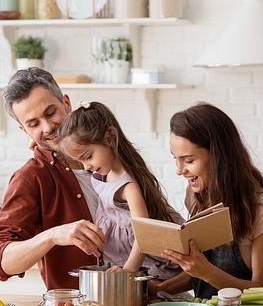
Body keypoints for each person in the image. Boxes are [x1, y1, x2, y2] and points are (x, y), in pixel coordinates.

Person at [0, 68, 105, 290]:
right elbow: (0, 262)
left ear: (66, 103)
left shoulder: (110, 152)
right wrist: (53, 235)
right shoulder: (31, 178)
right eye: (33, 124)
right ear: (24, 129)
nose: (48, 127)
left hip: (143, 300)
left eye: (51, 113)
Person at [157, 102, 263, 298]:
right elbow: (198, 273)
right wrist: (159, 289)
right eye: (176, 158)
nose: (179, 170)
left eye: (189, 160)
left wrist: (205, 271)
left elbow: (262, 288)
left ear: (219, 156)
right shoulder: (196, 195)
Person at [57, 101, 183, 280]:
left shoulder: (128, 187)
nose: (86, 166)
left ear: (108, 138)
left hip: (151, 266)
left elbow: (144, 233)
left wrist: (129, 272)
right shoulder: (103, 175)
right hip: (125, 262)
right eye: (81, 161)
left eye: (88, 157)